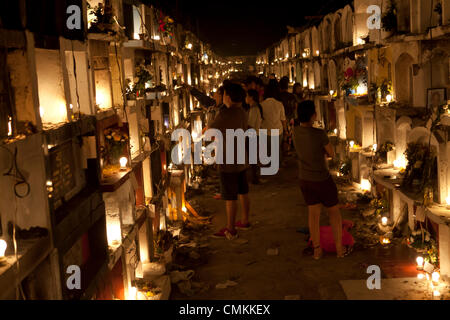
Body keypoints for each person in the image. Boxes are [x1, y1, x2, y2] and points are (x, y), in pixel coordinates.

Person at [293, 100, 347, 260]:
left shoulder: (295, 132)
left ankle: (317, 250)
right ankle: (339, 249)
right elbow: (331, 153)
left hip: (305, 179)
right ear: (313, 115)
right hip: (321, 178)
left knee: (313, 215)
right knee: (334, 213)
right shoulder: (319, 134)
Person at [209, 82, 251, 239]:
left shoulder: (225, 114)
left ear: (229, 97)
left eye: (224, 94)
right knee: (243, 191)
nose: (222, 96)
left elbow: (211, 132)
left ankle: (230, 228)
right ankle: (245, 220)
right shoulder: (242, 112)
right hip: (241, 158)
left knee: (230, 196)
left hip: (227, 159)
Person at [260, 80, 286, 168]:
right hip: (278, 130)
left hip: (265, 130)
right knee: (277, 148)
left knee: (267, 149)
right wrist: (285, 130)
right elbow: (283, 119)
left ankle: (268, 163)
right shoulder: (279, 104)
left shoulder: (262, 105)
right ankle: (277, 164)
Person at [246, 89, 263, 184]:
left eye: (246, 96)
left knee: (253, 157)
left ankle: (255, 178)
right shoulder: (254, 108)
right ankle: (254, 177)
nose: (245, 98)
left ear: (251, 97)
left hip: (252, 135)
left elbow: (250, 124)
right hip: (254, 134)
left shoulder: (254, 109)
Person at [279, 77, 297, 156]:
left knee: (283, 136)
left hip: (282, 118)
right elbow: (295, 106)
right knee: (289, 135)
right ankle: (288, 150)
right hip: (290, 117)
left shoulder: (278, 96)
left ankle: (283, 152)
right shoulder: (291, 96)